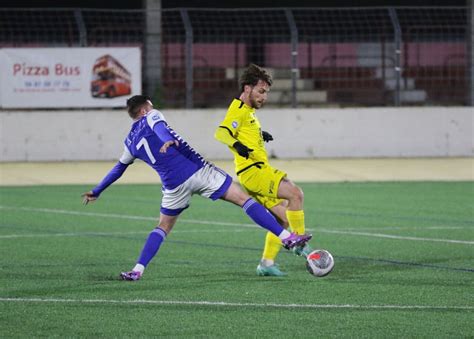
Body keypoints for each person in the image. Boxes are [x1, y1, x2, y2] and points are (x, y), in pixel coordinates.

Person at [82, 95, 311, 281]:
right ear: (143, 110)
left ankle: (137, 270)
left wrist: (98, 190)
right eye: (151, 106)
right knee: (244, 199)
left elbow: (119, 168)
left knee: (162, 227)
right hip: (197, 170)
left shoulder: (129, 142)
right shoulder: (151, 115)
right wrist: (166, 140)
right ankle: (286, 237)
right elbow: (160, 127)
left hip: (173, 186)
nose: (153, 108)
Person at [214, 64, 312, 277]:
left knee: (283, 218)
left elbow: (242, 129)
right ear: (247, 88)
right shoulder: (238, 109)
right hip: (254, 172)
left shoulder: (248, 112)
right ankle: (300, 241)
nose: (264, 97)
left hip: (254, 172)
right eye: (261, 91)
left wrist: (259, 134)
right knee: (295, 194)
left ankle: (266, 263)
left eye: (266, 92)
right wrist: (237, 145)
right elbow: (221, 133)